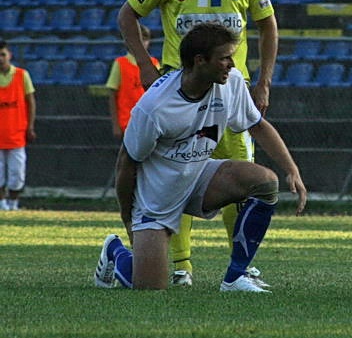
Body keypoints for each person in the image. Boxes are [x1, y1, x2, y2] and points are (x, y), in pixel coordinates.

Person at [116, 0, 279, 288]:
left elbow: (268, 25)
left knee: (244, 180)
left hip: (228, 95)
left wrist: (262, 80)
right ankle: (181, 264)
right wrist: (143, 63)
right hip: (180, 95)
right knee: (176, 176)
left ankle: (240, 268)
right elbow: (128, 15)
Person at [93, 23, 306, 292]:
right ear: (200, 61)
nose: (231, 63)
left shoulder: (232, 82)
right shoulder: (155, 107)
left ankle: (235, 277)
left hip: (198, 178)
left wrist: (291, 169)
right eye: (224, 58)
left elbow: (258, 124)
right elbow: (127, 163)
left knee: (264, 181)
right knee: (150, 290)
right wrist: (128, 218)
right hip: (156, 199)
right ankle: (116, 252)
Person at [106, 25, 160, 142]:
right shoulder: (120, 63)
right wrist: (115, 124)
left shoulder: (154, 63)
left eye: (145, 39)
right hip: (126, 122)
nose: (143, 43)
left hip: (149, 124)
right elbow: (112, 94)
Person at [0, 40, 36, 211]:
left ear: (9, 55)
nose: (1, 59)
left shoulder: (22, 75)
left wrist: (30, 126)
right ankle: (2, 204)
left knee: (17, 173)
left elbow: (31, 101)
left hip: (16, 133)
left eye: (3, 54)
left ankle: (13, 204)